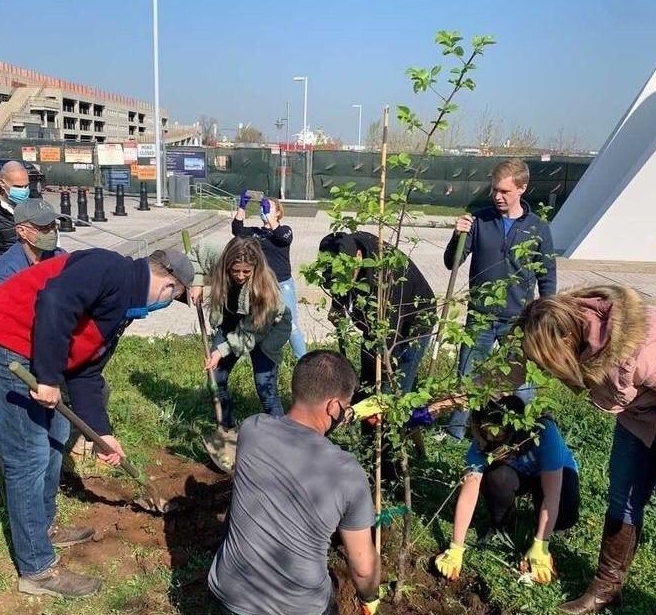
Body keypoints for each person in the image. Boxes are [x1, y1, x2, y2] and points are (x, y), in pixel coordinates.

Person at [0, 247, 194, 598]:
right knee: (29, 455)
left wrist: (103, 433)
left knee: (57, 432)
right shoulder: (111, 268)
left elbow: (85, 371)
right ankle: (36, 570)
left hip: (27, 350)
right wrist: (49, 377)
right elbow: (55, 300)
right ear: (168, 286)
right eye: (173, 298)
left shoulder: (123, 305)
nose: (166, 304)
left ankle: (43, 527)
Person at [517, 285, 656, 615]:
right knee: (622, 497)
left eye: (549, 360)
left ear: (564, 340)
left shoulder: (639, 349)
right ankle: (606, 588)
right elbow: (509, 374)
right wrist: (441, 405)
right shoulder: (576, 334)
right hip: (640, 414)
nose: (550, 370)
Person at [208, 350, 381, 615]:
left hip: (229, 598)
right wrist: (370, 597)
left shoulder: (253, 429)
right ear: (334, 407)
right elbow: (363, 569)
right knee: (329, 589)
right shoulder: (348, 473)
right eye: (345, 406)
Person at [444, 158, 556, 439]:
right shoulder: (479, 220)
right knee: (468, 375)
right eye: (494, 189)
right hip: (480, 317)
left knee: (521, 381)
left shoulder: (538, 227)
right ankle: (455, 433)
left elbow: (547, 275)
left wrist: (546, 316)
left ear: (522, 188)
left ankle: (522, 434)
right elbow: (451, 263)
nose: (497, 196)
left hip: (518, 320)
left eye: (504, 191)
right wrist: (457, 236)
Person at [0, 198, 65, 509]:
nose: (51, 231)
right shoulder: (6, 270)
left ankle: (49, 490)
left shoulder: (58, 257)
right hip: (16, 355)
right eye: (43, 227)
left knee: (57, 426)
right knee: (25, 433)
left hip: (50, 353)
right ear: (22, 231)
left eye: (53, 224)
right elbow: (6, 325)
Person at [436, 395, 580, 584]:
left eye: (497, 434)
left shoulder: (544, 432)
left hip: (555, 474)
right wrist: (456, 547)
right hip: (516, 475)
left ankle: (550, 529)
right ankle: (504, 524)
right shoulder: (482, 443)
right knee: (496, 478)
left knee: (564, 508)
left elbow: (552, 495)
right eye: (485, 431)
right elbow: (469, 493)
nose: (490, 437)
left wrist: (541, 544)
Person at [317, 231, 435, 400]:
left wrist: (378, 385)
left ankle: (396, 412)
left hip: (415, 318)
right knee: (368, 378)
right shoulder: (344, 248)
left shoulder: (385, 278)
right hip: (377, 321)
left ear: (359, 257)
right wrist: (337, 306)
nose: (341, 283)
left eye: (345, 277)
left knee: (395, 385)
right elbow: (338, 282)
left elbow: (387, 341)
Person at [189, 236, 291, 429]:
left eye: (246, 271)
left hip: (266, 329)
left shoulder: (267, 291)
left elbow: (250, 334)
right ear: (227, 263)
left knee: (265, 387)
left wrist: (221, 351)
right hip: (231, 319)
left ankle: (281, 434)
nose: (240, 276)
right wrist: (197, 282)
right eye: (235, 270)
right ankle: (226, 427)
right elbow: (195, 252)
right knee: (216, 376)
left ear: (256, 267)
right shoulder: (219, 257)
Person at [232, 191, 306, 359]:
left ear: (278, 212)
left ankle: (303, 359)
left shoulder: (285, 230)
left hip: (282, 284)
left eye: (268, 208)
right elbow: (237, 230)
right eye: (262, 208)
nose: (263, 211)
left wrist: (270, 219)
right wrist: (242, 206)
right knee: (255, 321)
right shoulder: (256, 233)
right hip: (261, 285)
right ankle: (247, 353)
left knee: (291, 324)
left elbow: (283, 239)